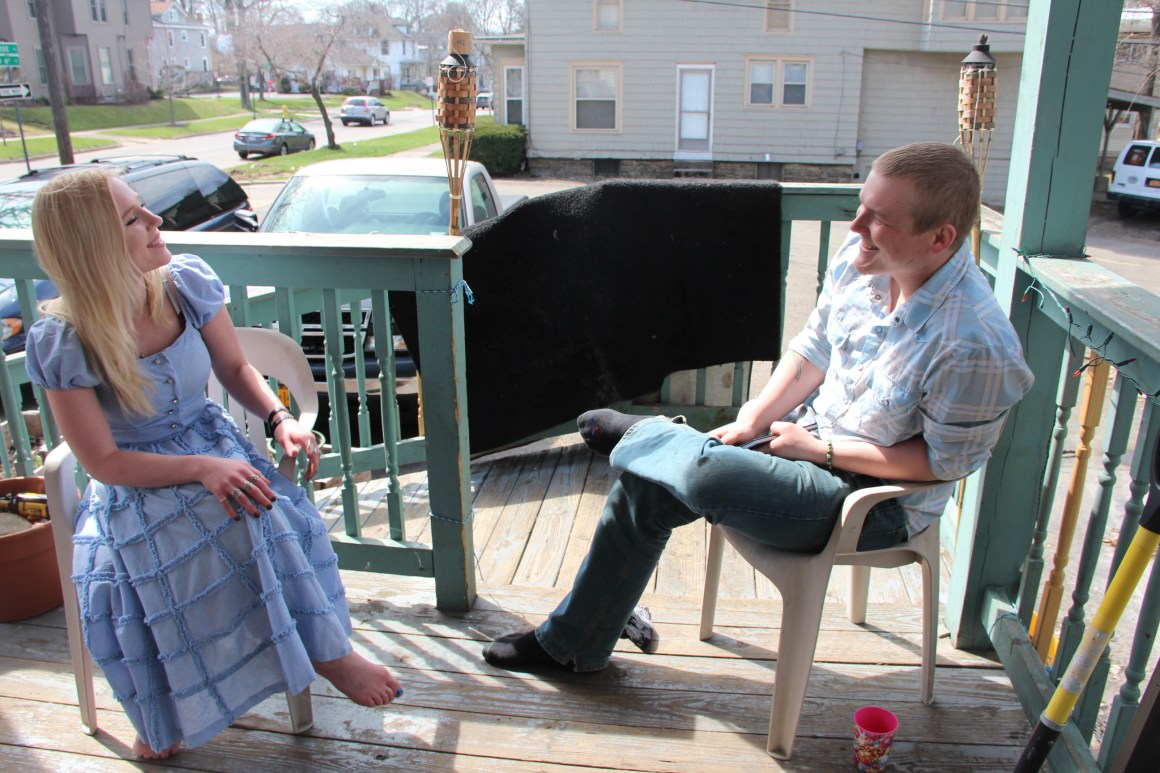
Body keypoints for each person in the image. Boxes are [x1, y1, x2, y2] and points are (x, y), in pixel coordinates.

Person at [483, 141, 1035, 673]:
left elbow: (944, 463)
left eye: (878, 219)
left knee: (706, 475)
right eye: (860, 207)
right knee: (651, 483)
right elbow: (813, 349)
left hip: (868, 502)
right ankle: (573, 645)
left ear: (939, 238)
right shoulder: (863, 261)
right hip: (799, 444)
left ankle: (652, 440)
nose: (855, 228)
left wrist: (823, 451)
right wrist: (753, 420)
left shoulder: (976, 344)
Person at [25, 169, 403, 759]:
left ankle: (326, 653)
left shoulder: (183, 284)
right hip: (137, 478)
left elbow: (234, 370)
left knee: (255, 504)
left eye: (144, 209)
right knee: (238, 516)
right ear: (92, 246)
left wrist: (280, 420)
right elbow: (101, 460)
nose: (156, 223)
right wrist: (201, 469)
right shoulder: (63, 339)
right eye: (133, 219)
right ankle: (313, 660)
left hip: (211, 443)